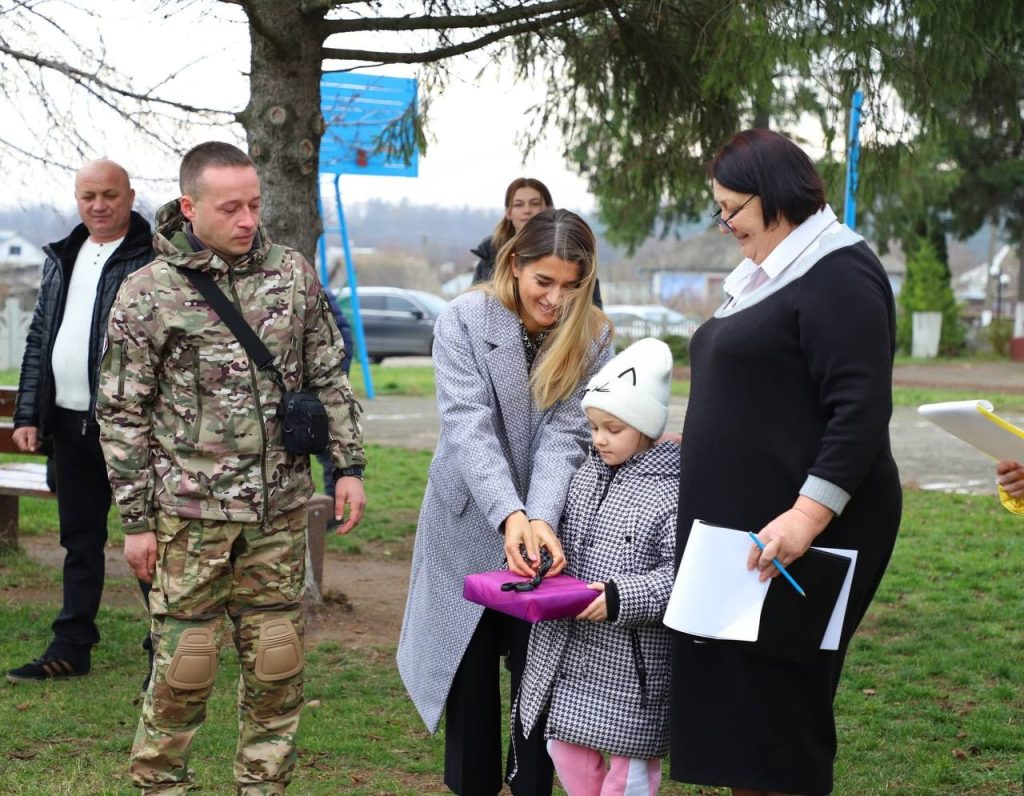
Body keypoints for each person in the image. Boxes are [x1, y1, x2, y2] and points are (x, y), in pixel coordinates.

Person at [96, 141, 367, 795]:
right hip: (187, 515)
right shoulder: (148, 291)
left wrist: (348, 466)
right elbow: (121, 412)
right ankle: (161, 783)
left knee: (278, 660)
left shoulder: (291, 273)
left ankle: (263, 785)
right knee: (186, 665)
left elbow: (328, 370)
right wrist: (136, 521)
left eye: (254, 204)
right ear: (191, 208)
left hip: (277, 510)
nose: (248, 219)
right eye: (231, 208)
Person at [669, 129, 902, 796]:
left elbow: (858, 411)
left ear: (772, 195)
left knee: (777, 716)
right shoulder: (768, 273)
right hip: (740, 540)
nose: (724, 223)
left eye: (731, 207)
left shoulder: (839, 269)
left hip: (798, 539)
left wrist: (806, 515)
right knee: (745, 721)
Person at [398, 208, 613, 796]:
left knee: (539, 678)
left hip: (546, 532)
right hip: (466, 524)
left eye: (572, 286)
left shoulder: (594, 335)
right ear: (514, 264)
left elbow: (567, 435)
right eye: (544, 281)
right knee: (468, 683)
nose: (556, 300)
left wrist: (539, 517)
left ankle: (531, 787)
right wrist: (509, 515)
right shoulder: (464, 319)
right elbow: (468, 426)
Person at [6, 159, 155, 685]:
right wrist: (29, 412)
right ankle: (72, 645)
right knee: (80, 541)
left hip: (134, 430)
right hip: (69, 425)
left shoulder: (152, 257)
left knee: (150, 541)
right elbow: (40, 337)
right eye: (88, 195)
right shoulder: (62, 255)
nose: (98, 205)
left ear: (130, 196)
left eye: (109, 195)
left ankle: (169, 648)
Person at [518, 337, 678, 796]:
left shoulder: (671, 493)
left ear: (645, 427)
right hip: (571, 656)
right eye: (593, 427)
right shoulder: (585, 475)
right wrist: (543, 558)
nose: (598, 439)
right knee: (564, 749)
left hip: (632, 665)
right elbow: (564, 535)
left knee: (629, 772)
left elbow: (680, 577)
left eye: (612, 428)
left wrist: (620, 596)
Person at [471, 177, 603, 307]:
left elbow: (592, 311)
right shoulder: (488, 255)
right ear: (508, 212)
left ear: (548, 209)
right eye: (518, 204)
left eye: (535, 203)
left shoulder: (574, 249)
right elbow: (475, 304)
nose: (527, 210)